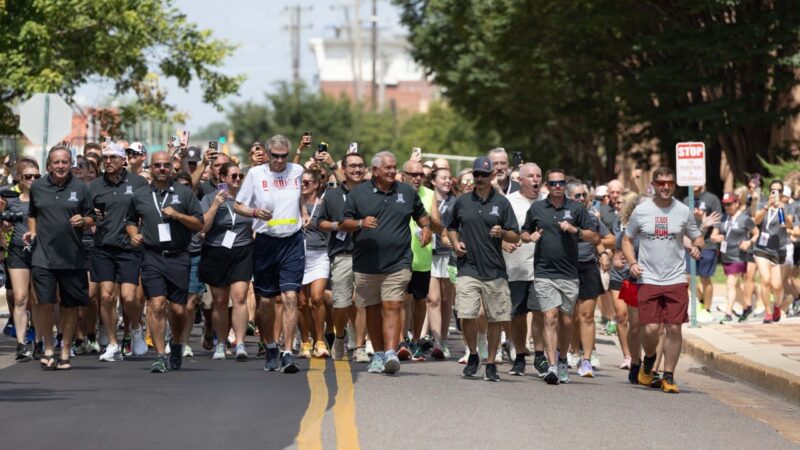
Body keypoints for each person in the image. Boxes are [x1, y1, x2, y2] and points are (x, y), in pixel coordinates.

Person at [339, 151, 431, 375]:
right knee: (372, 309)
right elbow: (343, 223)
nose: (391, 171)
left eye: (394, 167)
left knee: (393, 305)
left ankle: (391, 352)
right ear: (375, 170)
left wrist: (426, 227)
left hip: (398, 262)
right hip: (366, 263)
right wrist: (360, 222)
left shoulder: (407, 192)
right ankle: (378, 354)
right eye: (387, 168)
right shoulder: (358, 193)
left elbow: (420, 213)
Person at [623, 167, 703, 393]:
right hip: (647, 276)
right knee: (649, 328)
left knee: (674, 328)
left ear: (674, 184)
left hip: (675, 277)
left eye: (669, 183)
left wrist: (697, 248)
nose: (666, 187)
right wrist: (632, 263)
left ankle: (669, 375)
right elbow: (627, 240)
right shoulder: (642, 211)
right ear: (654, 185)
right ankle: (649, 359)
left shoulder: (683, 211)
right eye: (661, 183)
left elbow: (697, 238)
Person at [234, 134, 308, 374]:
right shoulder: (256, 174)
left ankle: (288, 352)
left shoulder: (297, 171)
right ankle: (271, 345)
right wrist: (255, 212)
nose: (279, 161)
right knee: (266, 301)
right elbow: (238, 205)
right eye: (275, 156)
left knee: (290, 297)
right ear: (267, 154)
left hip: (292, 242)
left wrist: (303, 213)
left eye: (283, 156)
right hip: (266, 242)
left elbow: (300, 197)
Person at [126, 151, 204, 373]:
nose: (161, 168)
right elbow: (131, 221)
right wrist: (133, 234)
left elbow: (199, 224)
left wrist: (178, 216)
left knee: (178, 311)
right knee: (157, 304)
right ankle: (160, 355)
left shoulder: (184, 193)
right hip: (152, 255)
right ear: (150, 168)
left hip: (179, 256)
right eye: (157, 165)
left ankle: (177, 343)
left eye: (166, 165)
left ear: (172, 168)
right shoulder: (140, 194)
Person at [520, 168, 597, 384]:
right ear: (546, 186)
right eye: (553, 183)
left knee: (566, 320)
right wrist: (530, 237)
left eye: (561, 183)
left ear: (565, 185)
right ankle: (552, 365)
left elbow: (595, 236)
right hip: (544, 272)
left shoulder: (576, 208)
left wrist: (576, 230)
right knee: (550, 317)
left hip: (569, 273)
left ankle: (563, 359)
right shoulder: (537, 208)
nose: (557, 187)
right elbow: (524, 232)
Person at [448, 156, 519, 381]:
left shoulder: (502, 203)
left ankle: (490, 363)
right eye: (476, 174)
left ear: (492, 176)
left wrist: (503, 233)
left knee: (495, 318)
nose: (479, 178)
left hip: (494, 270)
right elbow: (451, 227)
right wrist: (455, 242)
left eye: (483, 175)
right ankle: (472, 354)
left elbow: (515, 235)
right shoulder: (462, 201)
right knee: (467, 314)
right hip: (468, 267)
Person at [26, 145, 94, 370]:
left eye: (65, 162)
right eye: (56, 162)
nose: (61, 166)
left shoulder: (81, 188)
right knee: (44, 302)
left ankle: (65, 349)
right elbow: (33, 215)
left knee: (70, 305)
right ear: (49, 165)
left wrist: (84, 221)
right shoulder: (37, 187)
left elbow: (93, 217)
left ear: (70, 164)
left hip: (72, 257)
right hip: (43, 256)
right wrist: (33, 232)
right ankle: (47, 346)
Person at [89, 143, 149, 362]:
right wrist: (90, 218)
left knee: (128, 297)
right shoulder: (95, 185)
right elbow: (87, 214)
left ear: (123, 159)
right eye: (105, 158)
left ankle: (136, 327)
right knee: (105, 296)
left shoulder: (138, 182)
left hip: (129, 247)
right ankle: (113, 343)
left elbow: (147, 210)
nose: (108, 162)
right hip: (103, 246)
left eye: (113, 157)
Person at [199, 162, 254, 361]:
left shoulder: (248, 198)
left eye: (240, 176)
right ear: (222, 178)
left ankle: (239, 343)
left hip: (242, 250)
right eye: (233, 176)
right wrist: (215, 204)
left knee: (239, 297)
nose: (237, 179)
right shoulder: (208, 198)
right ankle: (220, 343)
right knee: (220, 301)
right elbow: (203, 227)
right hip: (215, 251)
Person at [318, 152, 368, 361]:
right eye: (352, 166)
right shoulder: (332, 195)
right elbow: (320, 222)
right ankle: (340, 337)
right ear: (344, 170)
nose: (357, 170)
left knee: (362, 302)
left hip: (367, 254)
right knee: (341, 304)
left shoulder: (371, 193)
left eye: (360, 166)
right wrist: (338, 225)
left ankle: (359, 347)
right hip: (342, 254)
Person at [500, 163, 541, 375]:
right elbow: (496, 230)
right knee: (517, 314)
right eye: (531, 176)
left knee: (542, 313)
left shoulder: (547, 201)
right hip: (515, 267)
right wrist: (502, 243)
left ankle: (542, 356)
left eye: (538, 176)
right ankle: (520, 356)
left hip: (543, 268)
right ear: (520, 180)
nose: (536, 179)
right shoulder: (509, 202)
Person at [567, 181, 610, 377]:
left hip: (588, 267)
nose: (581, 199)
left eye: (584, 195)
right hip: (565, 268)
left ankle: (586, 360)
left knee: (587, 316)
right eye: (577, 196)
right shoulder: (561, 216)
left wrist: (602, 254)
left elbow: (604, 239)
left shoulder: (592, 218)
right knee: (570, 317)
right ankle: (569, 352)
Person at [400, 158, 439, 361]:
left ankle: (415, 340)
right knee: (401, 299)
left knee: (419, 299)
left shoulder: (429, 194)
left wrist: (428, 224)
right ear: (403, 175)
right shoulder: (397, 192)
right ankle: (400, 340)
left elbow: (435, 221)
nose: (417, 179)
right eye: (413, 175)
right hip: (400, 255)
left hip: (422, 254)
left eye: (420, 175)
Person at [2, 159, 40, 360]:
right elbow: (6, 224)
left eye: (36, 177)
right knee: (20, 297)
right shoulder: (13, 201)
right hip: (18, 252)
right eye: (28, 176)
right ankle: (21, 343)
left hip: (41, 252)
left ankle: (40, 339)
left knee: (37, 299)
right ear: (20, 179)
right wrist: (5, 226)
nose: (32, 180)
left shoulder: (44, 200)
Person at [298, 166, 331, 358]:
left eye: (307, 182)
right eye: (300, 182)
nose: (303, 185)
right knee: (302, 302)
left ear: (316, 184)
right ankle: (304, 342)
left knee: (317, 298)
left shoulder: (324, 204)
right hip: (298, 255)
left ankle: (319, 340)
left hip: (319, 255)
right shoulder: (293, 203)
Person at [710, 191, 758, 323]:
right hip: (726, 256)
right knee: (735, 286)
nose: (727, 206)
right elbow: (713, 235)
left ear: (736, 203)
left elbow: (756, 233)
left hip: (740, 256)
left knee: (730, 284)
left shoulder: (745, 219)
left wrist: (749, 242)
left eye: (730, 204)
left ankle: (728, 313)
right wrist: (716, 237)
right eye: (725, 204)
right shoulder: (722, 218)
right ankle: (746, 307)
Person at [752, 179, 793, 323]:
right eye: (772, 190)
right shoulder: (764, 204)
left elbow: (788, 224)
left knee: (777, 285)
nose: (775, 193)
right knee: (765, 280)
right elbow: (756, 221)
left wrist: (781, 208)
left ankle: (777, 307)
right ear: (769, 192)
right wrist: (766, 207)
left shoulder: (787, 207)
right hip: (761, 248)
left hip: (778, 249)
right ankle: (767, 313)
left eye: (779, 191)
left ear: (782, 193)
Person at [428, 167, 457, 360]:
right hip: (429, 254)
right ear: (433, 181)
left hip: (450, 256)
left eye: (449, 178)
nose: (447, 181)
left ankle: (444, 341)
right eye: (443, 178)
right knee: (433, 299)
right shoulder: (427, 199)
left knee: (447, 301)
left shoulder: (456, 202)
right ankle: (436, 341)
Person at [683, 184, 722, 321]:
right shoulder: (687, 200)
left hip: (707, 245)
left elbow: (718, 221)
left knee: (705, 278)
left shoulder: (712, 199)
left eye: (697, 180)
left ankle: (707, 309)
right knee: (686, 277)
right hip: (690, 244)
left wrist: (713, 233)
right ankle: (700, 298)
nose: (694, 184)